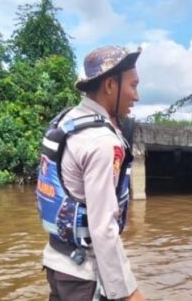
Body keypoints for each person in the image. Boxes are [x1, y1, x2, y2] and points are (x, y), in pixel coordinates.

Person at [37, 45, 145, 301]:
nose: (136, 96)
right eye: (133, 85)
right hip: (83, 277)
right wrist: (128, 292)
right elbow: (103, 229)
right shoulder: (102, 141)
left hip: (57, 262)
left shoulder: (67, 121)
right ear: (110, 85)